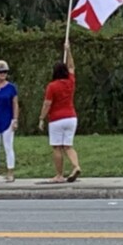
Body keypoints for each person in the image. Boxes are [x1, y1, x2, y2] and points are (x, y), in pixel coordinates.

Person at [38, 42, 80, 184]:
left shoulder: (52, 86)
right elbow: (72, 66)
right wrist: (68, 50)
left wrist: (42, 118)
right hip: (71, 117)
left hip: (56, 119)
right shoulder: (70, 82)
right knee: (68, 146)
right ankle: (76, 166)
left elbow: (47, 104)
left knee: (57, 147)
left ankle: (59, 175)